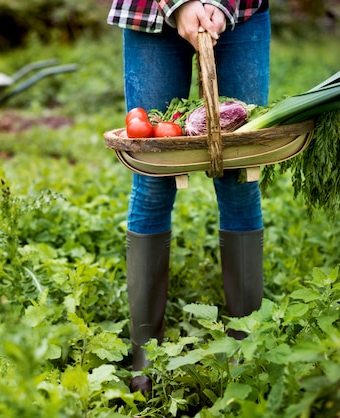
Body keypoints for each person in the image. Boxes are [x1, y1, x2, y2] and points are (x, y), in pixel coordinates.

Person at [107, 0, 271, 393]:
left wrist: (219, 4)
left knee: (239, 173)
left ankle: (246, 350)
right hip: (150, 14)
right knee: (153, 174)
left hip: (240, 12)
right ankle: (145, 359)